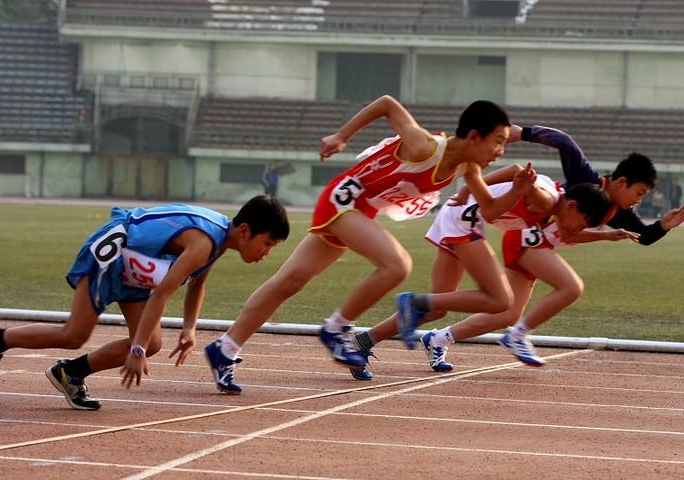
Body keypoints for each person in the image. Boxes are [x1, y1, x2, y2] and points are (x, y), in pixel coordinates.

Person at [202, 95, 536, 394]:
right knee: (397, 265)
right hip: (342, 201)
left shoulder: (468, 168)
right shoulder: (424, 146)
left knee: (289, 282)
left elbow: (490, 209)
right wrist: (341, 136)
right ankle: (336, 331)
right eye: (498, 142)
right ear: (474, 136)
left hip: (359, 211)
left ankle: (225, 348)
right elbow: (388, 103)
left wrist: (517, 192)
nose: (501, 152)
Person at [0, 196, 289, 410]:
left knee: (151, 342)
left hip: (137, 267)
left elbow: (198, 284)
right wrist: (133, 351)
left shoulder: (218, 240)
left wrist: (190, 329)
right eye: (268, 243)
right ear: (245, 231)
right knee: (75, 334)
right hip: (112, 255)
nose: (267, 253)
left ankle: (71, 373)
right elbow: (162, 294)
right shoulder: (204, 242)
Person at [418, 124, 684, 370]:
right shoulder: (586, 178)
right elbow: (565, 143)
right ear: (621, 182)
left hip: (538, 242)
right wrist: (522, 133)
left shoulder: (619, 211)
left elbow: (644, 237)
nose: (638, 201)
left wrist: (665, 225)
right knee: (571, 287)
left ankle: (438, 339)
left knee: (507, 313)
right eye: (639, 193)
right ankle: (518, 335)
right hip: (530, 237)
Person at [350, 162, 614, 379]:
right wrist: (470, 187)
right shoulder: (547, 201)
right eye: (584, 223)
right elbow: (515, 169)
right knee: (500, 300)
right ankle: (413, 301)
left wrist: (606, 237)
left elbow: (558, 229)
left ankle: (362, 342)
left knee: (438, 310)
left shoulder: (555, 210)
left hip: (457, 217)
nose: (579, 230)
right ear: (572, 206)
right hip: (464, 220)